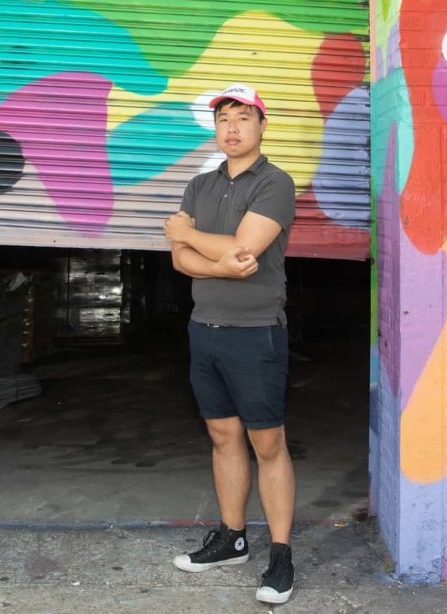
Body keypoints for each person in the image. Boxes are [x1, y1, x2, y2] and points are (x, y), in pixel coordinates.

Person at [163, 83, 296, 605]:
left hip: (255, 332)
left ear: (262, 125)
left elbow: (247, 249)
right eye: (224, 119)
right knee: (222, 437)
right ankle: (232, 539)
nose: (233, 127)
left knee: (269, 444)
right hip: (205, 328)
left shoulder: (275, 184)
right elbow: (180, 260)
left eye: (244, 117)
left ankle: (281, 556)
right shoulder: (199, 186)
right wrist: (220, 261)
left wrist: (189, 235)